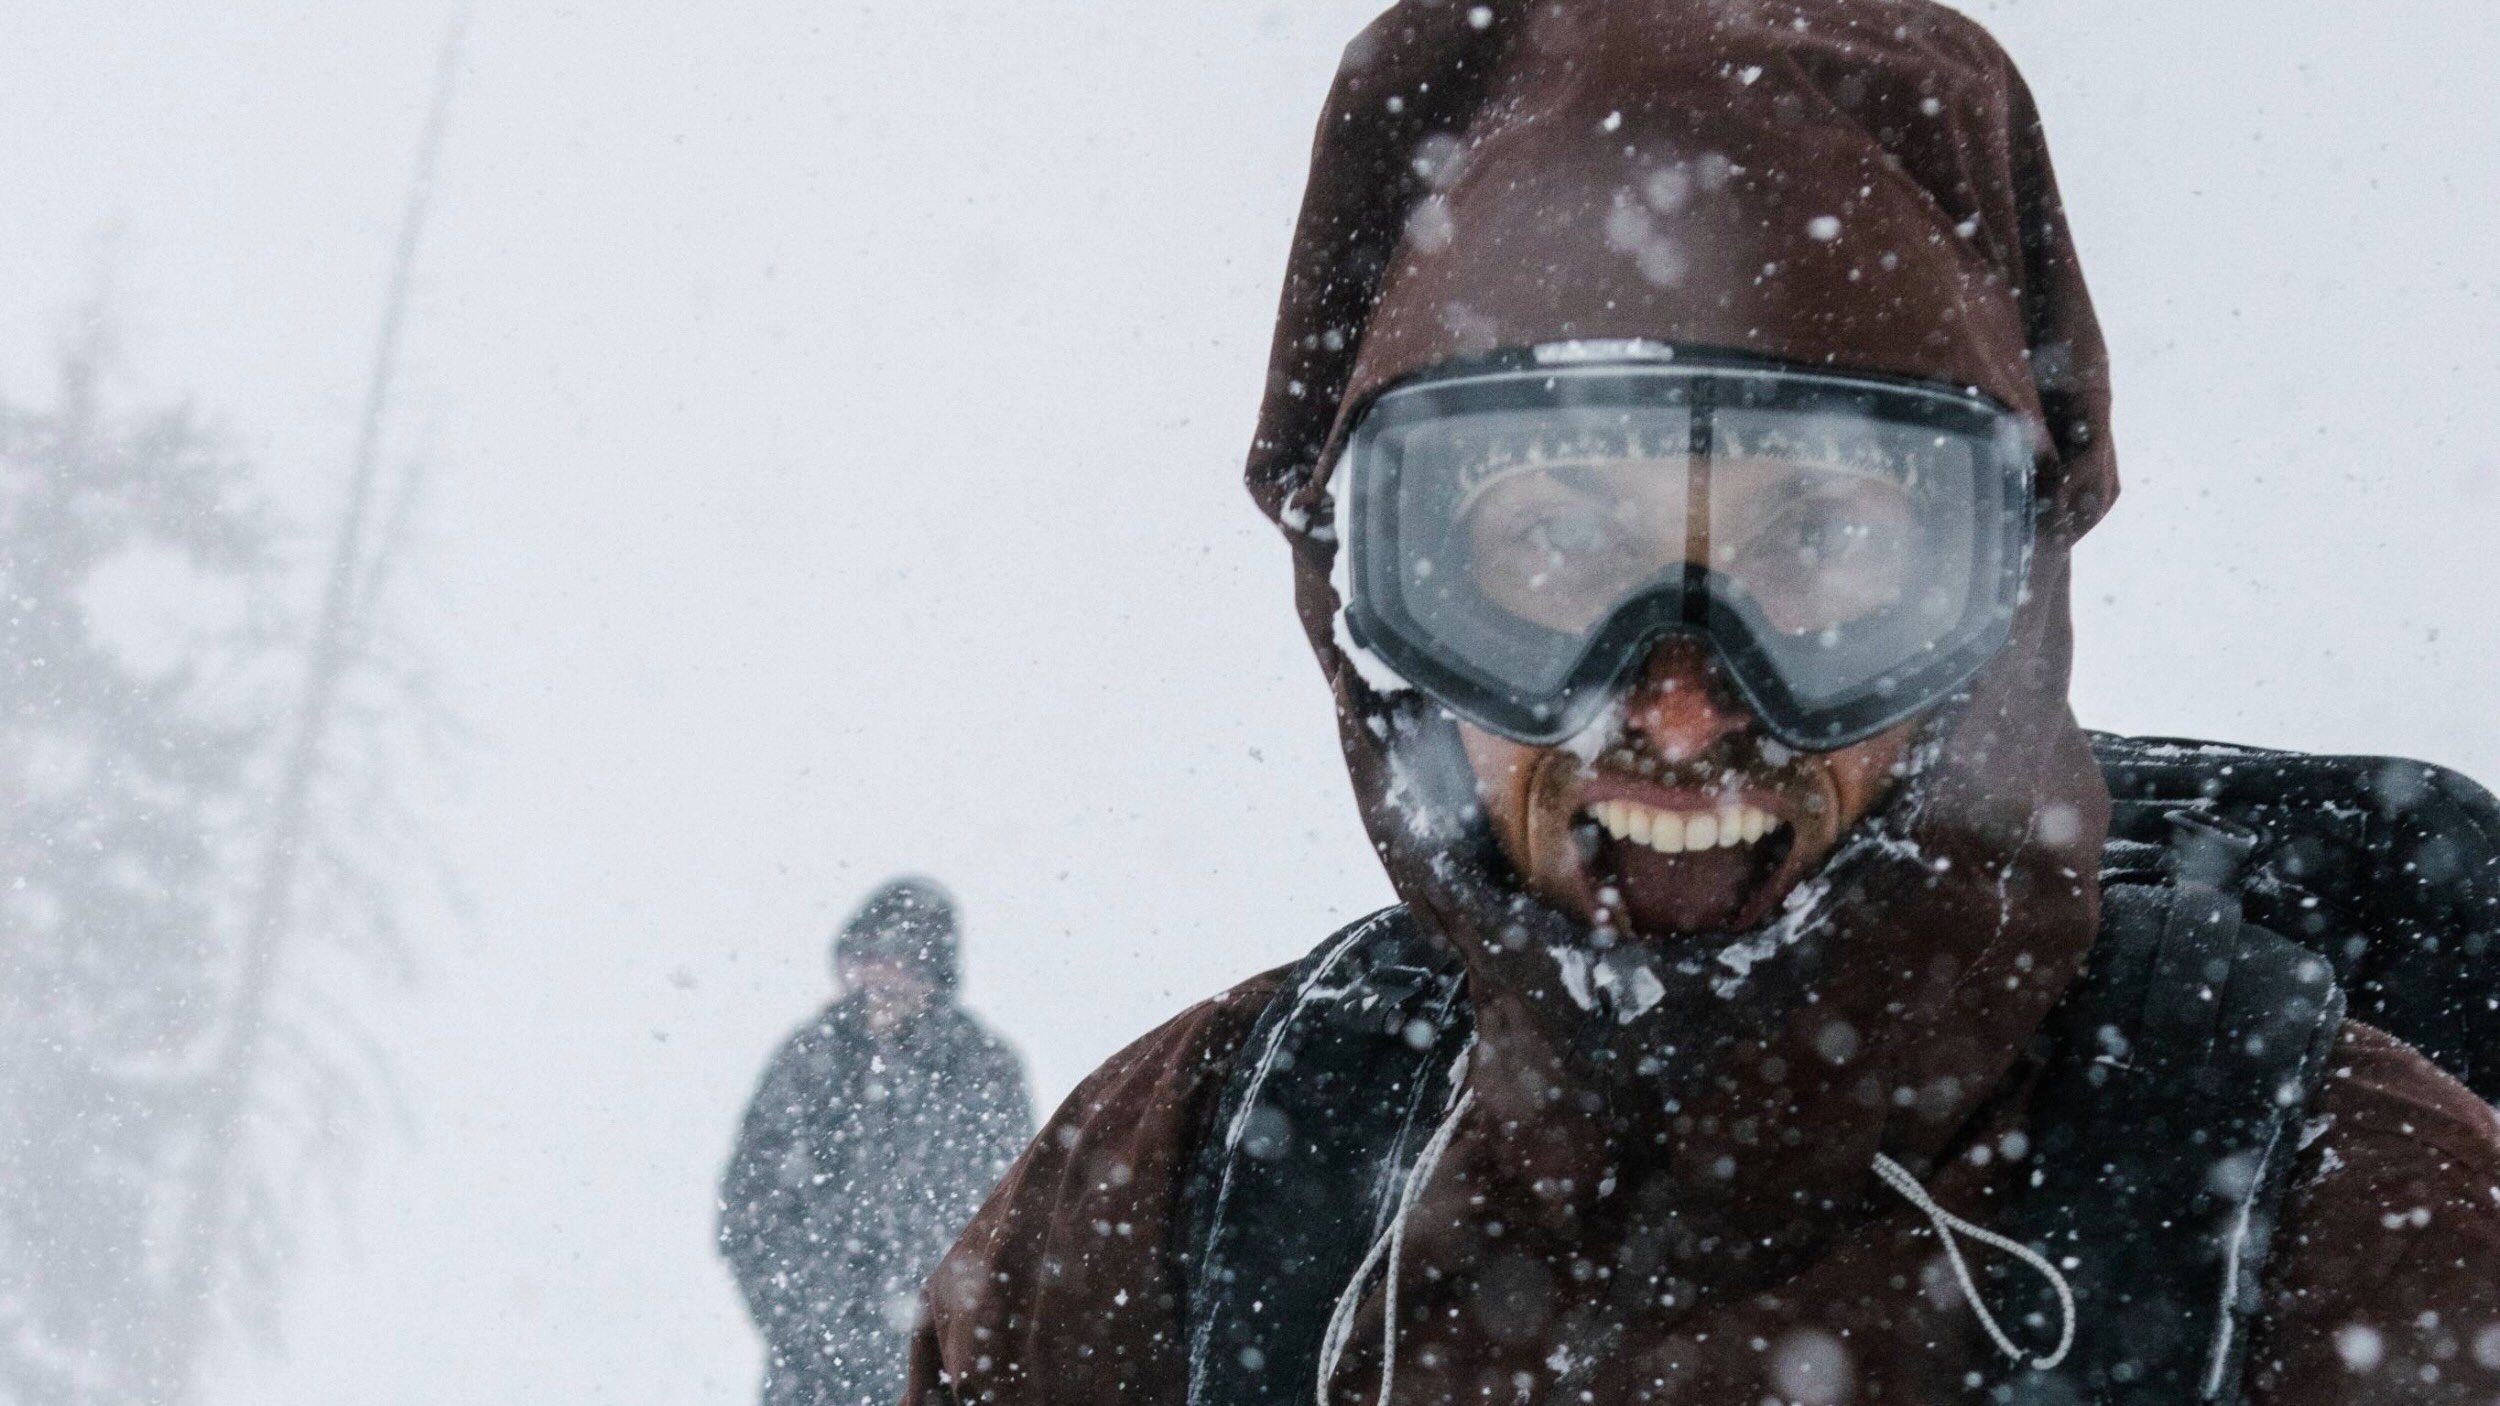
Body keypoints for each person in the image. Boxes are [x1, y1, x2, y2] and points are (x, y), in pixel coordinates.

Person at [902, 3, 2500, 1404]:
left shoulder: (2368, 1250)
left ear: (2002, 602)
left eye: (1825, 539)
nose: (1675, 710)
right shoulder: (1181, 1208)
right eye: (1541, 542)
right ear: (1366, 596)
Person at [721, 877, 1031, 1406]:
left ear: (934, 974)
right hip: (810, 1373)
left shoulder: (981, 1069)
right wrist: (808, 1321)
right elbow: (750, 1208)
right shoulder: (807, 1062)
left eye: (902, 960)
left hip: (940, 1369)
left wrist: (940, 1325)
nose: (882, 976)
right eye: (870, 958)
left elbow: (1009, 1215)